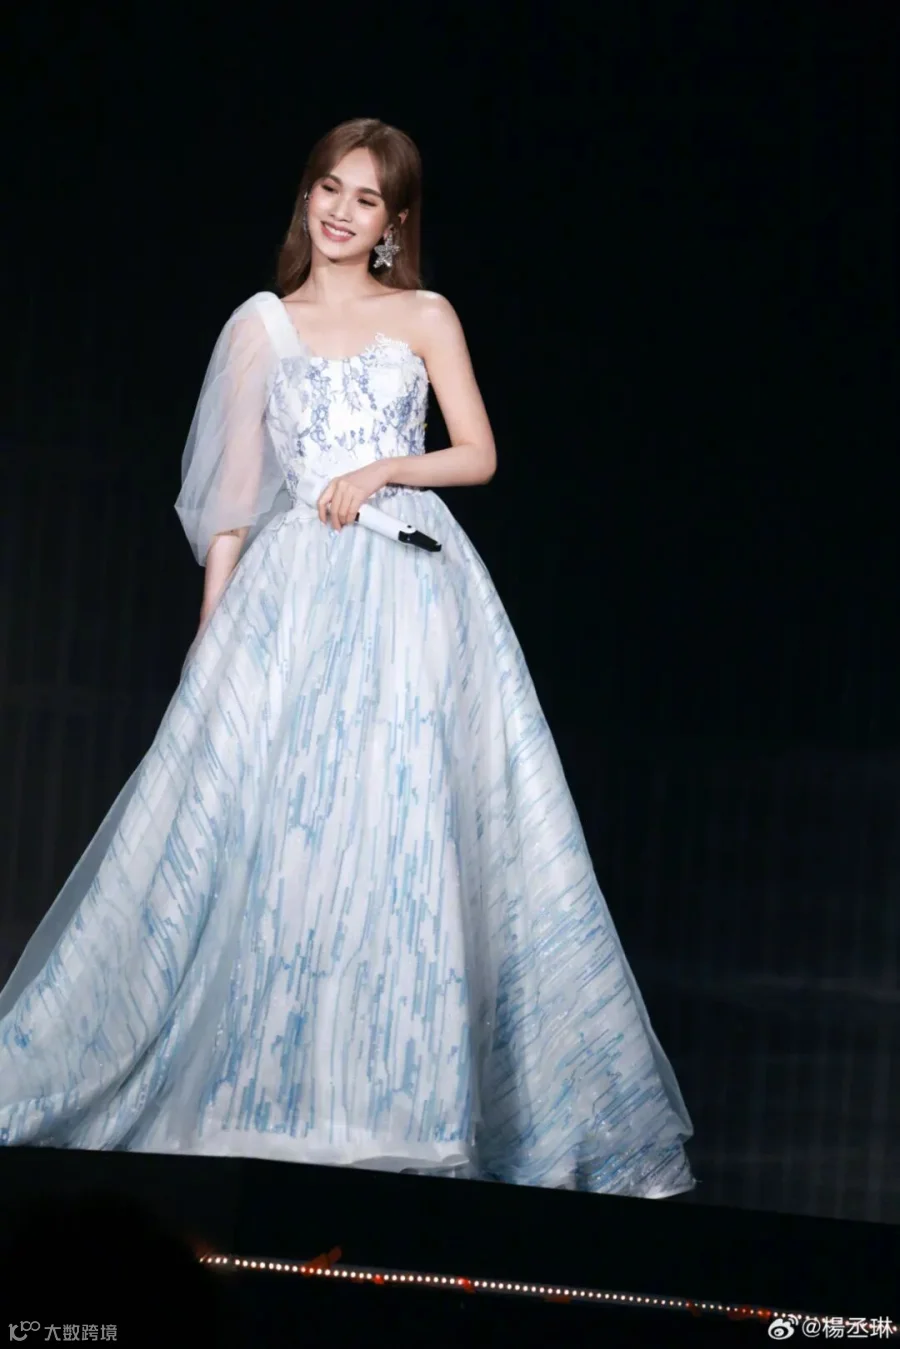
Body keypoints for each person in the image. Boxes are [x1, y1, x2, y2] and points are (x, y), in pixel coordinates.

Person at [0, 118, 693, 1197]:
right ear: (308, 195)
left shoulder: (424, 315)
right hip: (290, 599)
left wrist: (380, 469)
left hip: (412, 591)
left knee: (405, 829)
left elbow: (479, 452)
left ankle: (397, 1100)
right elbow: (232, 505)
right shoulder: (260, 325)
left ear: (393, 221)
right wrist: (211, 637)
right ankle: (268, 1097)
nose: (340, 210)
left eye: (366, 198)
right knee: (281, 836)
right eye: (329, 187)